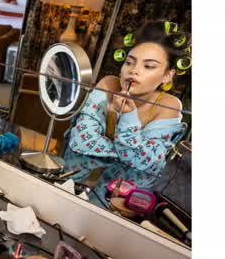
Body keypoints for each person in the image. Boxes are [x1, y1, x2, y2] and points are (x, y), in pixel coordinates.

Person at [68, 20, 190, 175]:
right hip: (78, 175)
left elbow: (150, 164)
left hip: (130, 187)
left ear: (167, 75)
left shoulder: (169, 105)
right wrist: (129, 154)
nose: (134, 70)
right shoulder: (109, 84)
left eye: (149, 66)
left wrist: (128, 117)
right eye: (129, 62)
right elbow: (80, 141)